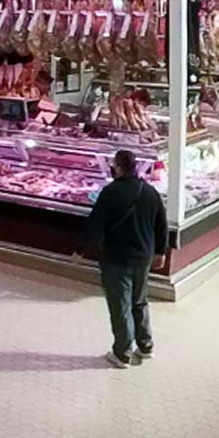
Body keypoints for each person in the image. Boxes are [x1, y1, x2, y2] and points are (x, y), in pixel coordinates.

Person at [81, 150, 168, 369]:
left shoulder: (111, 192)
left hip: (117, 257)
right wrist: (160, 252)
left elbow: (96, 225)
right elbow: (161, 224)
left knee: (120, 305)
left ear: (118, 167)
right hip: (144, 256)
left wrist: (82, 251)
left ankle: (122, 353)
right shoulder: (149, 192)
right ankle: (146, 346)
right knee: (139, 301)